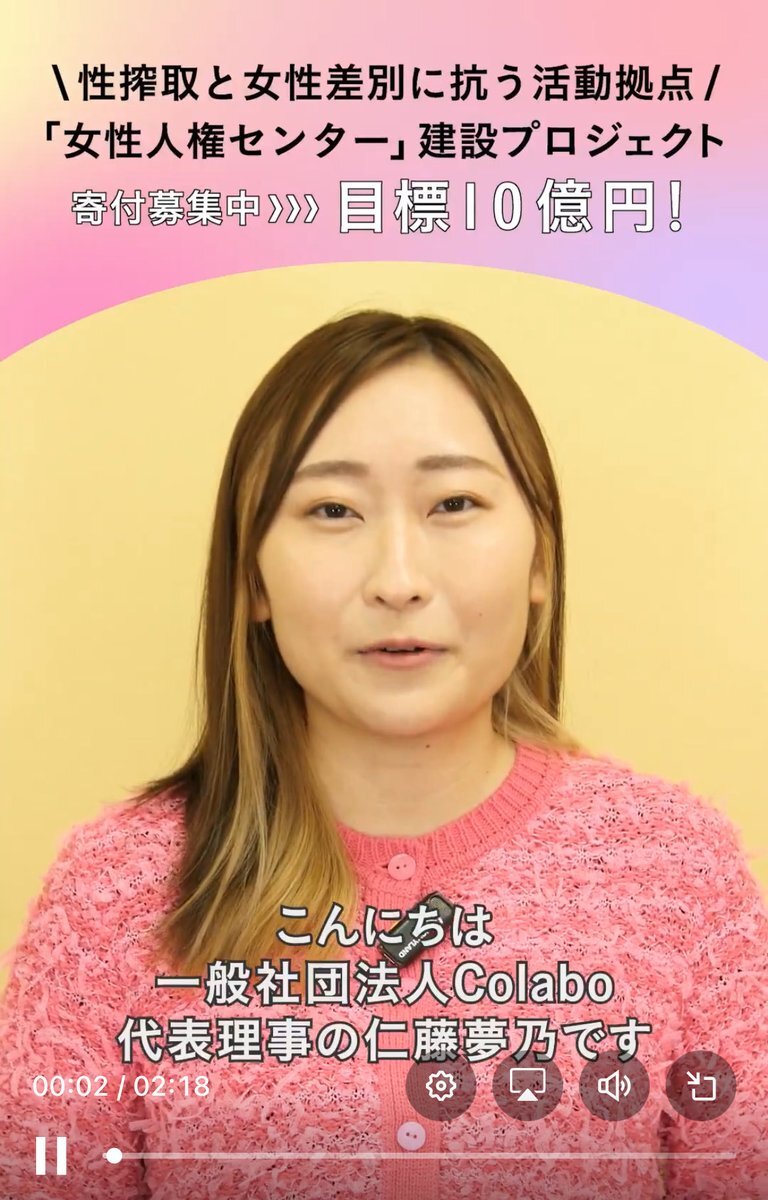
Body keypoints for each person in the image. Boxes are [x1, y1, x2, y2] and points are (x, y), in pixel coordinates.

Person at [0, 310, 766, 1200]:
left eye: (454, 505)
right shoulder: (112, 895)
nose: (398, 580)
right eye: (332, 510)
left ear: (539, 561)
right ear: (252, 577)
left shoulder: (675, 869)